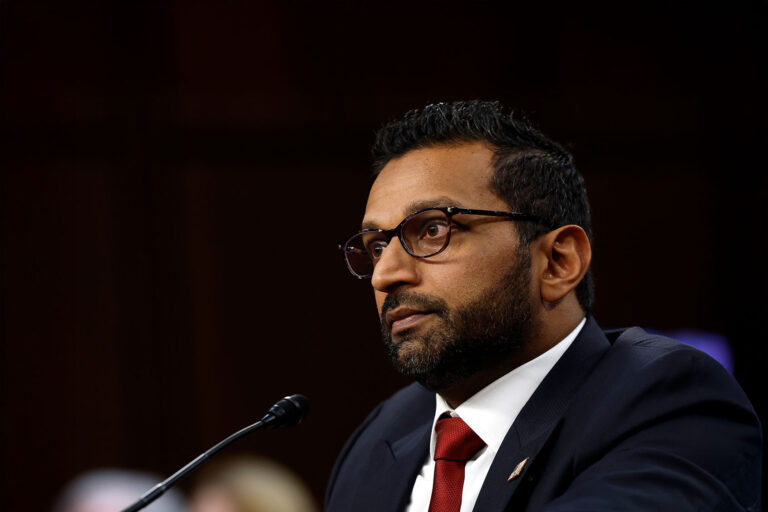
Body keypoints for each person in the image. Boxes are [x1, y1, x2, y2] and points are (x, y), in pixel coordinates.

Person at [325, 101, 762, 511]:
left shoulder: (666, 400)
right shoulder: (378, 440)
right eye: (377, 247)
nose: (384, 275)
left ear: (557, 262)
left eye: (434, 230)